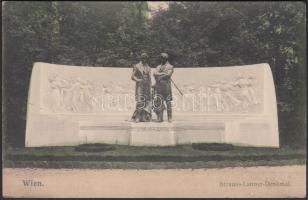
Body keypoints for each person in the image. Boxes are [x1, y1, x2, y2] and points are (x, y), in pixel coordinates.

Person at [131, 53, 152, 122]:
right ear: (141, 58)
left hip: (146, 85)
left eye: (145, 58)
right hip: (140, 85)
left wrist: (150, 87)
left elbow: (149, 78)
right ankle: (137, 116)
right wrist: (138, 80)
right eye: (143, 58)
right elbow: (132, 77)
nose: (144, 59)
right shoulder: (137, 66)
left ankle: (143, 117)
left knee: (145, 101)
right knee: (140, 101)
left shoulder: (148, 67)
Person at [153, 53, 174, 122]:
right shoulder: (158, 66)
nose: (161, 59)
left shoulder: (170, 66)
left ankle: (169, 117)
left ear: (166, 58)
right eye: (161, 58)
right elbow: (154, 73)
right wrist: (162, 74)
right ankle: (160, 117)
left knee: (168, 102)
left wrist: (159, 76)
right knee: (159, 102)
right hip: (159, 87)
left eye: (163, 58)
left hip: (166, 87)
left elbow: (168, 75)